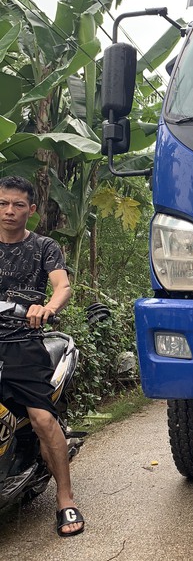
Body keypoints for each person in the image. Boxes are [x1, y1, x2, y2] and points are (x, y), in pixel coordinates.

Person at [0, 175, 84, 536]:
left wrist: (46, 307)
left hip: (23, 342)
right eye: (3, 203)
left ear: (31, 210)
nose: (9, 211)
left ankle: (65, 499)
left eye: (18, 205)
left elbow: (62, 284)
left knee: (42, 420)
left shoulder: (44, 246)